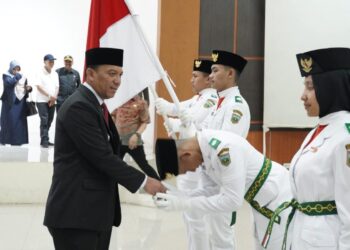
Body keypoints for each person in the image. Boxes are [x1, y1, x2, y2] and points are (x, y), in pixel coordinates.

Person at [43, 47, 166, 250]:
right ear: (90, 74)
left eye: (120, 75)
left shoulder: (95, 104)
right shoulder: (79, 107)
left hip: (92, 214)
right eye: (111, 73)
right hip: (76, 217)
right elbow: (102, 157)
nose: (118, 81)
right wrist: (145, 181)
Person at [263, 47, 350, 250]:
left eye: (310, 87)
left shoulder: (345, 137)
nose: (303, 96)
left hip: (327, 240)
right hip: (303, 234)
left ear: (331, 87)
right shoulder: (318, 130)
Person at [154, 129, 293, 250]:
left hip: (279, 198)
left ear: (186, 155)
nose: (189, 171)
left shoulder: (224, 150)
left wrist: (185, 203)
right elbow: (211, 190)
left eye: (184, 170)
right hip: (261, 203)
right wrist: (181, 196)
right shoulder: (203, 151)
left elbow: (233, 201)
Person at [155, 59, 217, 250]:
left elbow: (192, 121)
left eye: (195, 76)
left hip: (199, 161)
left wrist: (175, 122)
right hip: (189, 159)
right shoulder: (198, 98)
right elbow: (178, 108)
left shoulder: (211, 99)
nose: (191, 80)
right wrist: (166, 107)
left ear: (208, 80)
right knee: (189, 215)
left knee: (195, 214)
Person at [199, 50, 251, 250]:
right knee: (212, 236)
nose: (210, 76)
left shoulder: (236, 107)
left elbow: (226, 146)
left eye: (214, 70)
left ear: (230, 74)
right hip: (211, 180)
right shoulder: (218, 104)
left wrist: (200, 143)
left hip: (224, 182)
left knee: (222, 239)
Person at [111, 94, 160, 180]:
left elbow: (145, 122)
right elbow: (114, 116)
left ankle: (159, 184)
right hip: (118, 141)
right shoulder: (119, 100)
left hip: (134, 142)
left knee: (144, 165)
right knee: (114, 166)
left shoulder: (141, 103)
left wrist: (137, 135)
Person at [0, 60, 32, 145]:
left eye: (18, 69)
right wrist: (17, 76)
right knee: (8, 121)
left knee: (19, 122)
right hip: (9, 103)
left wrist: (29, 89)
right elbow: (9, 83)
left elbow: (25, 87)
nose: (16, 71)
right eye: (15, 68)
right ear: (11, 68)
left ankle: (18, 140)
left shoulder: (22, 76)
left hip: (20, 103)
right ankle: (5, 140)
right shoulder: (6, 75)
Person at [35, 54, 59, 148]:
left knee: (50, 120)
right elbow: (38, 86)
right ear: (44, 62)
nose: (52, 63)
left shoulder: (55, 74)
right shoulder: (39, 72)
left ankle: (45, 139)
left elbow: (57, 87)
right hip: (42, 101)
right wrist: (50, 96)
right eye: (50, 61)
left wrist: (54, 98)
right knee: (44, 120)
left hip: (53, 101)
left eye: (53, 61)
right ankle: (44, 140)